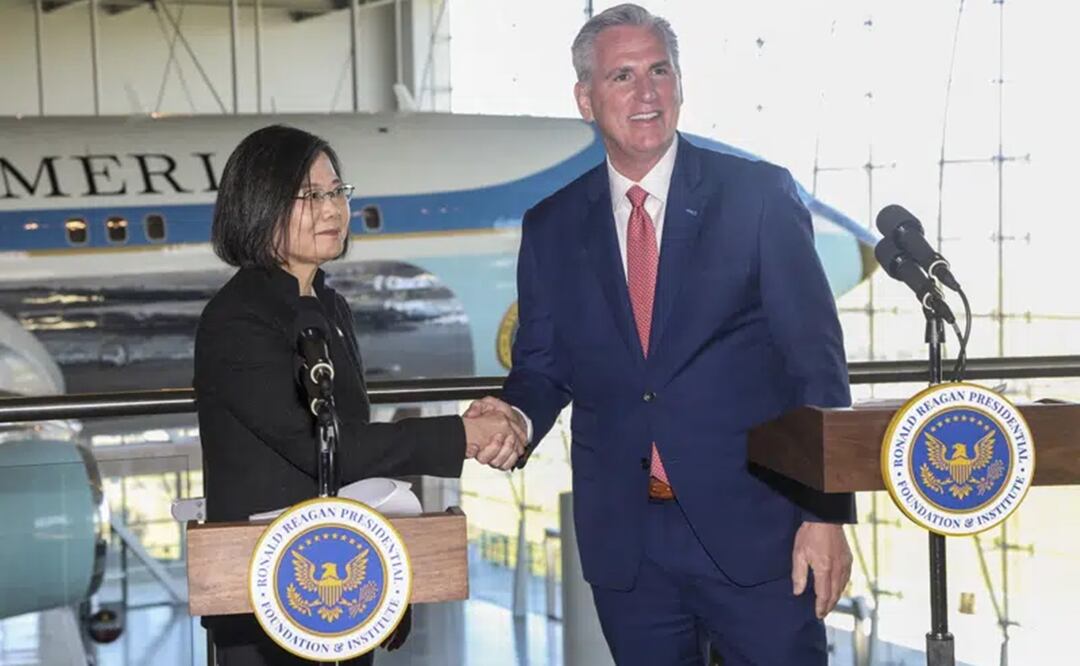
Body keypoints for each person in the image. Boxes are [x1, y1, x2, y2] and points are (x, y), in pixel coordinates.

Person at [466, 5, 855, 664]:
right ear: (586, 100)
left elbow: (815, 365)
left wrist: (825, 514)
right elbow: (542, 366)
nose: (646, 93)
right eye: (622, 76)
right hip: (629, 545)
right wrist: (515, 418)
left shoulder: (757, 196)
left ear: (679, 84)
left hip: (758, 534)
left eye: (659, 71)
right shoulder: (552, 226)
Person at [193, 124, 524, 665]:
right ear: (258, 204)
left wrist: (387, 572)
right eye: (311, 195)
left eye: (337, 191)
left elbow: (355, 457)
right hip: (266, 594)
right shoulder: (238, 319)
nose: (333, 209)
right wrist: (462, 435)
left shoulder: (329, 308)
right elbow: (322, 446)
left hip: (345, 585)